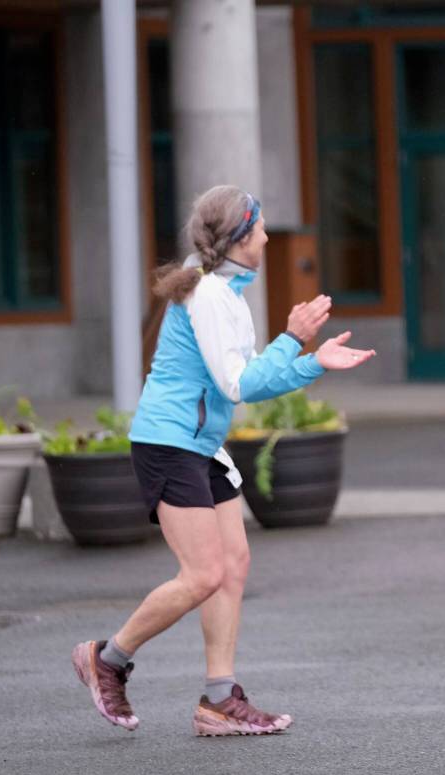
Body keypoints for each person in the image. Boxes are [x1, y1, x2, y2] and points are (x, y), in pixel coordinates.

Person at [72, 184, 375, 737]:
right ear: (240, 234)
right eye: (258, 226)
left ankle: (218, 699)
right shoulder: (209, 294)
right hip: (169, 443)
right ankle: (108, 658)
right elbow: (238, 386)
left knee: (232, 566)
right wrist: (293, 339)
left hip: (200, 444)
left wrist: (312, 362)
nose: (265, 235)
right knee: (204, 573)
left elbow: (248, 374)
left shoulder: (226, 292)